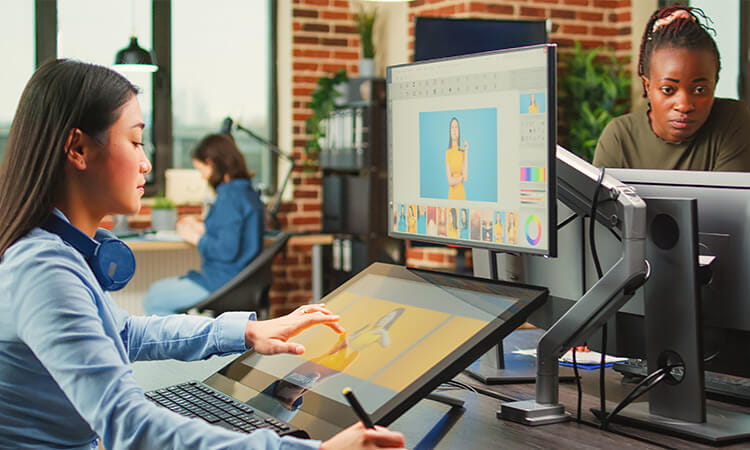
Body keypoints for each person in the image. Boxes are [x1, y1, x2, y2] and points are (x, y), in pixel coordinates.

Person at [0, 59, 405, 450]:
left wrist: (247, 333)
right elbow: (130, 425)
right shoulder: (45, 269)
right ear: (78, 148)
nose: (145, 164)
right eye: (136, 141)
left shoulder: (58, 254)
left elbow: (123, 334)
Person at [593, 5, 750, 171]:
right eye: (668, 89)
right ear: (648, 86)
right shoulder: (621, 137)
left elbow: (729, 197)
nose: (684, 106)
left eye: (700, 90)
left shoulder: (732, 120)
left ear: (714, 84)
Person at [143, 133, 264, 315]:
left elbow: (225, 251)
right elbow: (236, 234)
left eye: (201, 169)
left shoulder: (228, 197)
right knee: (157, 291)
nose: (202, 177)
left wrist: (195, 237)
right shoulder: (247, 192)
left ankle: (197, 338)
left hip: (222, 281)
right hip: (242, 282)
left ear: (211, 163)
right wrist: (202, 228)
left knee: (154, 299)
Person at [445, 117, 469, 200]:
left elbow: (465, 177)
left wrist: (466, 150)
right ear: (449, 131)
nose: (454, 130)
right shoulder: (448, 152)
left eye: (456, 127)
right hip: (451, 195)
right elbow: (450, 181)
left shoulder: (462, 151)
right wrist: (460, 178)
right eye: (452, 127)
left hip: (461, 194)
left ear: (459, 131)